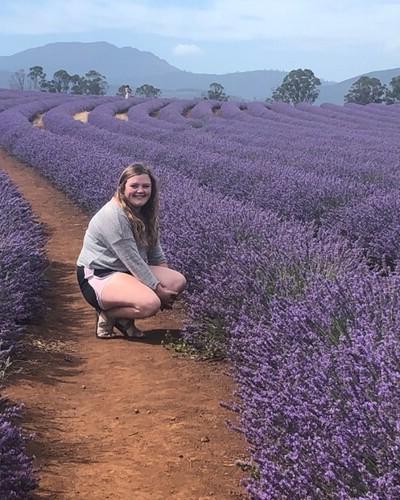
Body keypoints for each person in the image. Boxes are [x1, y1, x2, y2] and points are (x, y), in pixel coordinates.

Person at [76, 163, 186, 339]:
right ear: (122, 188)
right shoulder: (114, 215)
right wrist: (158, 290)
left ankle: (123, 318)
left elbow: (156, 254)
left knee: (177, 281)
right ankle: (109, 315)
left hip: (126, 271)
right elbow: (132, 259)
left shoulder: (146, 212)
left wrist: (165, 285)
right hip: (100, 275)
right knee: (151, 304)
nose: (140, 191)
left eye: (145, 186)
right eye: (134, 186)